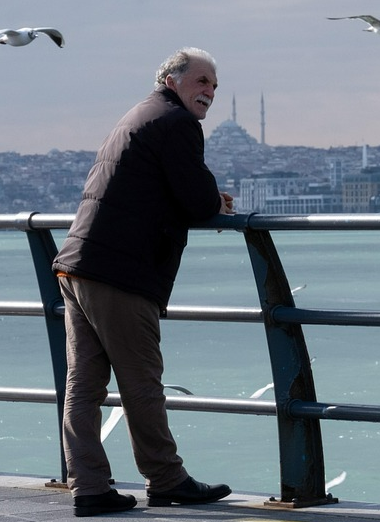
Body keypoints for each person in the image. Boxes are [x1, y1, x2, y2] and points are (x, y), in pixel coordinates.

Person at [52, 47, 235, 517]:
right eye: (202, 81)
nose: (210, 92)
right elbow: (196, 201)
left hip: (78, 262)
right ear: (172, 80)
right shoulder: (176, 124)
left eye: (214, 85)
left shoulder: (137, 115)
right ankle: (166, 478)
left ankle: (89, 487)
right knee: (141, 380)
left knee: (83, 386)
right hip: (119, 271)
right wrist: (215, 199)